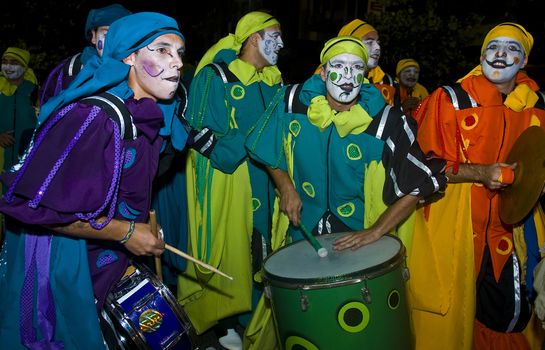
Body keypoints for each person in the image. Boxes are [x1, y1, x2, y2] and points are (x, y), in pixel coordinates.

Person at [0, 12, 186, 349]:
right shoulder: (95, 117)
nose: (176, 63)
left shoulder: (145, 117)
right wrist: (127, 233)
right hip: (67, 268)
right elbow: (35, 207)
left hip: (106, 262)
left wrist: (138, 229)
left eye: (180, 53)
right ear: (129, 56)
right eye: (162, 50)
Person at [408, 22, 545, 350]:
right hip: (452, 228)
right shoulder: (450, 99)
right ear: (482, 55)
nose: (501, 54)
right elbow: (420, 166)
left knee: (510, 318)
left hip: (510, 231)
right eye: (493, 47)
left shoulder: (535, 107)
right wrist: (479, 172)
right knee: (445, 318)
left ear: (524, 61)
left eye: (513, 49)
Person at [177, 10, 284, 349]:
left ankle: (254, 317)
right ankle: (225, 322)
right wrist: (245, 142)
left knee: (263, 246)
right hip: (232, 180)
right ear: (254, 38)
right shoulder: (217, 76)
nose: (281, 43)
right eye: (274, 35)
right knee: (231, 245)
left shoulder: (275, 80)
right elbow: (197, 129)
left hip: (268, 180)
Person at [39, 3, 131, 105]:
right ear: (94, 36)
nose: (113, 42)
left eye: (120, 35)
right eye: (106, 34)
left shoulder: (135, 69)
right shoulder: (71, 69)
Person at [338, 19, 396, 105]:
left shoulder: (387, 81)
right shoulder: (325, 78)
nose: (378, 47)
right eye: (369, 42)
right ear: (349, 44)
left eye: (378, 42)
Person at [0, 47, 38, 174]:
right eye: (5, 62)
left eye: (14, 63)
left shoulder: (36, 91)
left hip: (27, 160)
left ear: (24, 67)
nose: (8, 67)